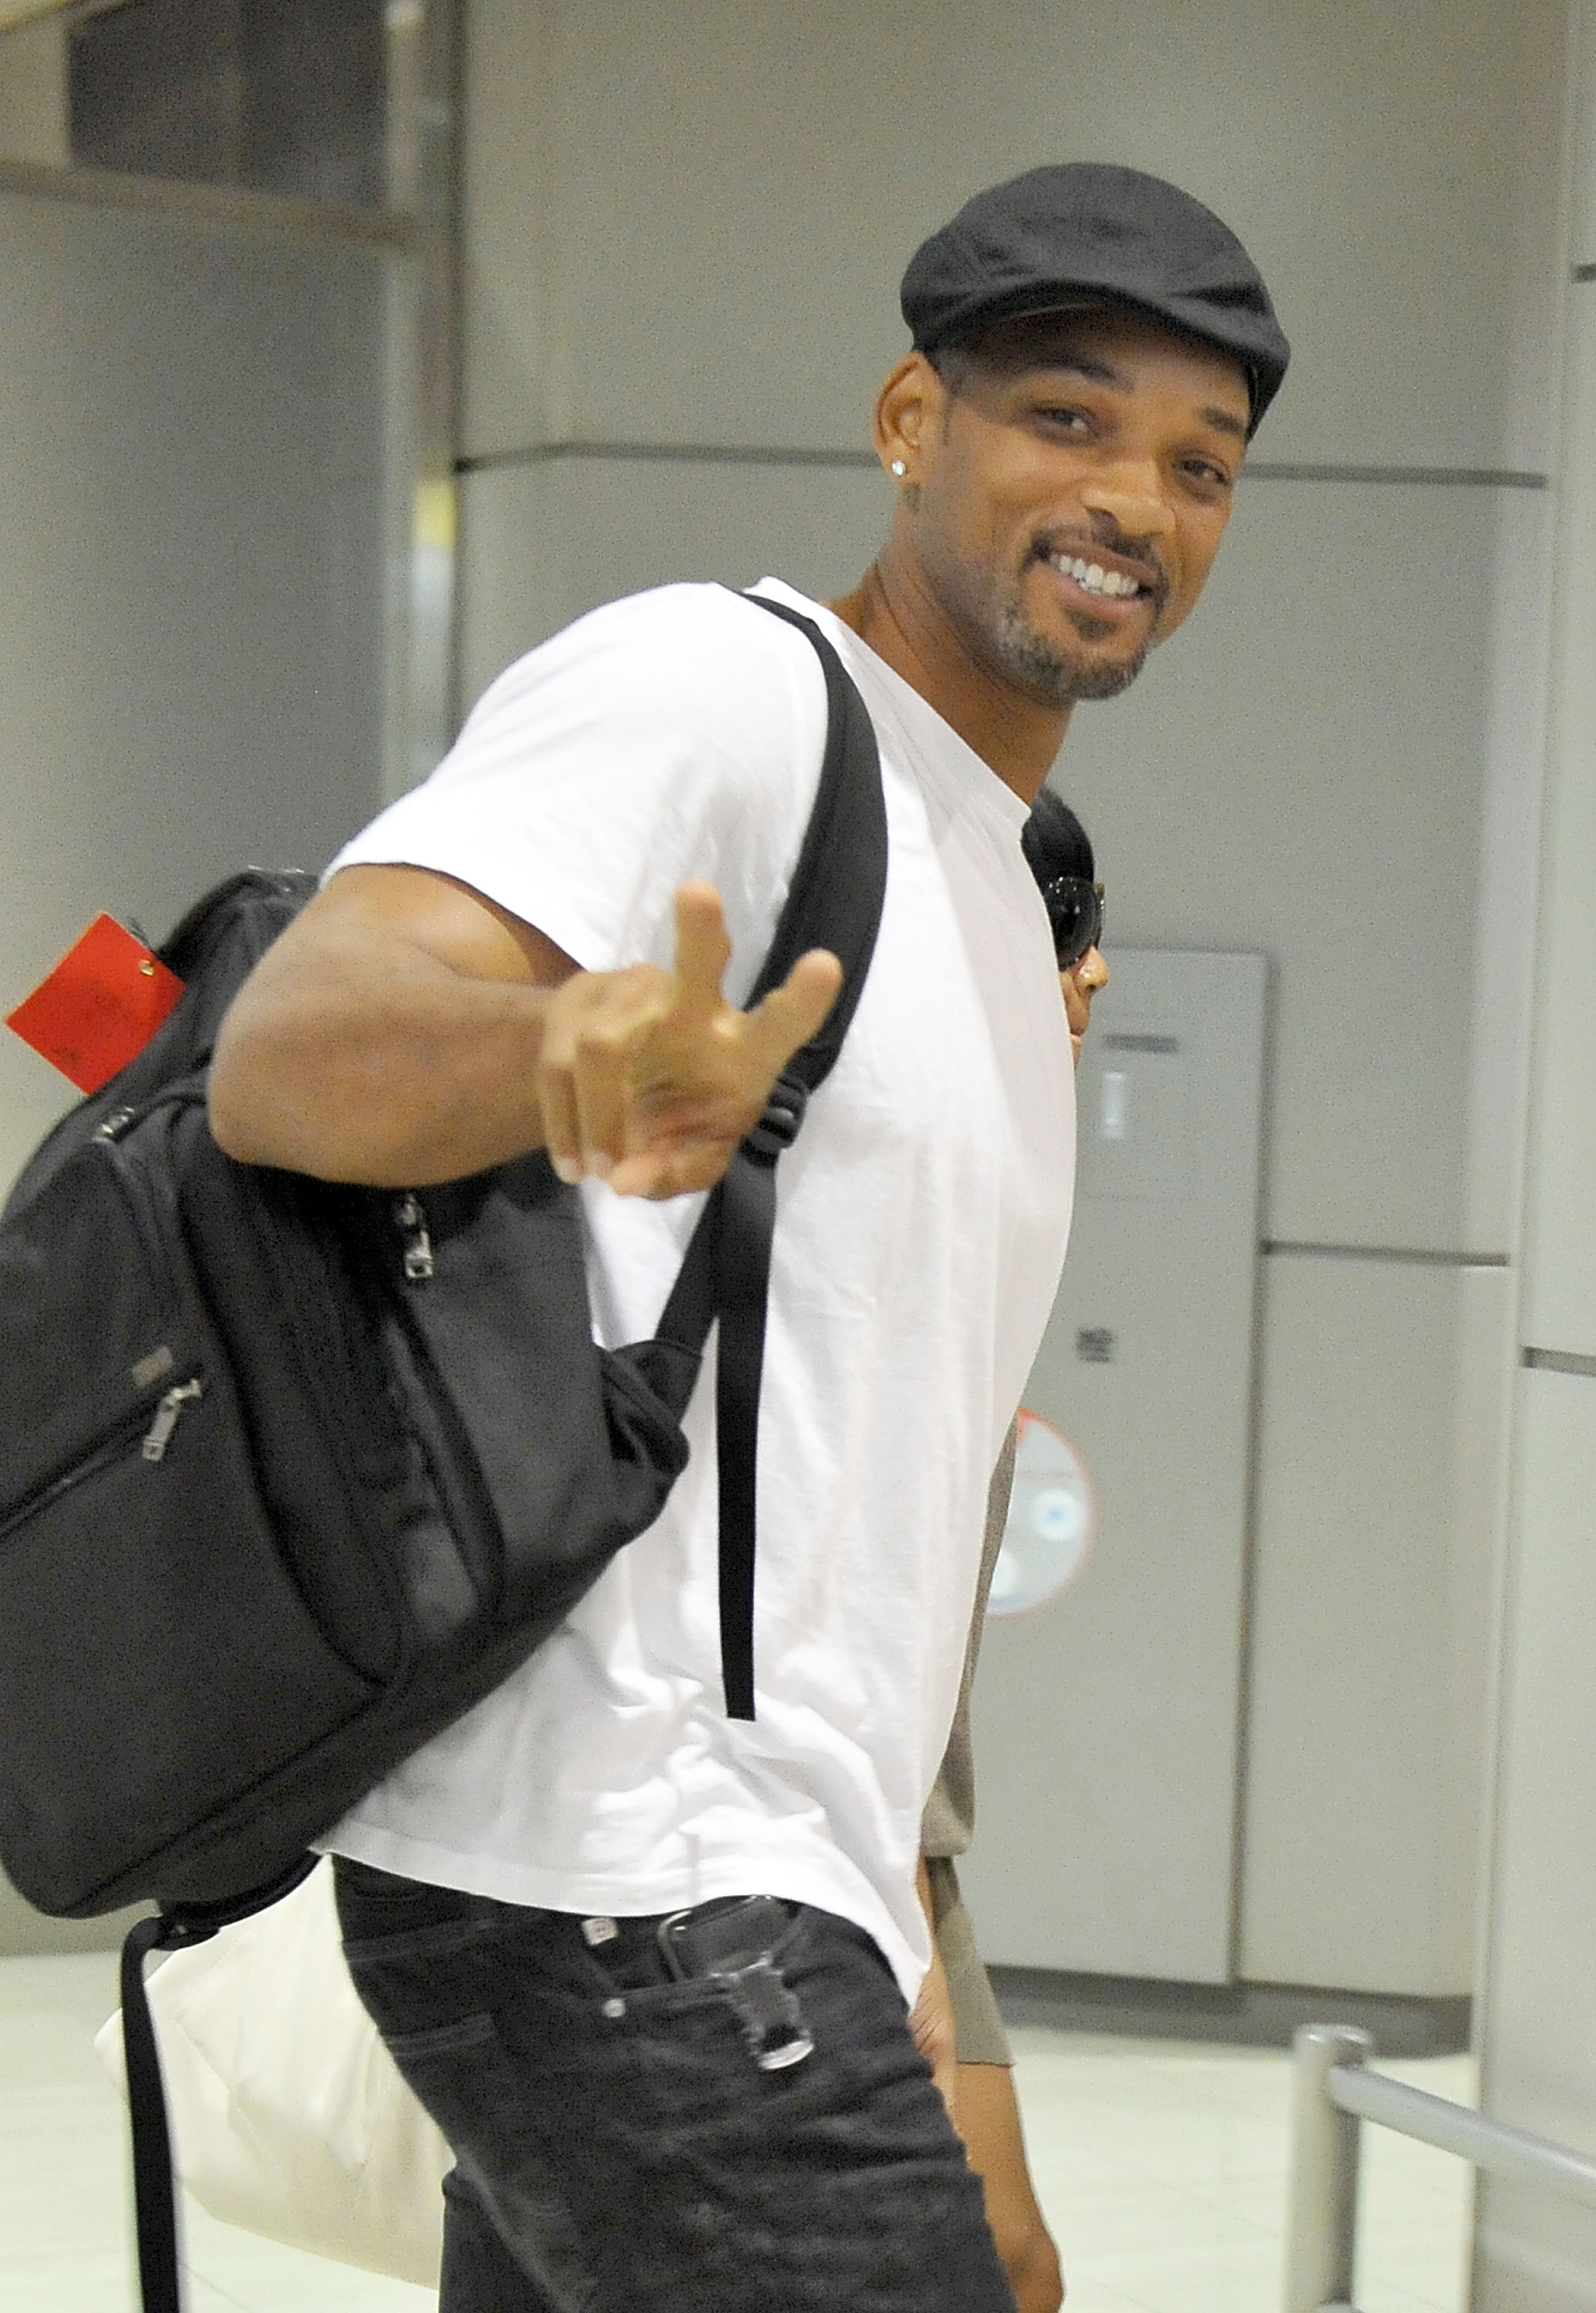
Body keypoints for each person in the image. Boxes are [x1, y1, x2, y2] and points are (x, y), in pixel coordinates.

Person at [208, 162, 1287, 2313]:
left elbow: (867, 1491)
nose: (1133, 502)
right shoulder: (719, 687)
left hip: (741, 1886)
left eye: (1199, 461)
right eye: (1063, 418)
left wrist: (896, 1923)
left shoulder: (1000, 876)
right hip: (633, 1882)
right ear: (912, 419)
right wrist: (559, 1048)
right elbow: (289, 1054)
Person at [933, 786, 1106, 2313]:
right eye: (1059, 927)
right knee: (993, 2268)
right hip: (823, 1866)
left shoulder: (984, 1199)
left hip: (879, 1859)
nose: (1093, 973)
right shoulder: (882, 1211)